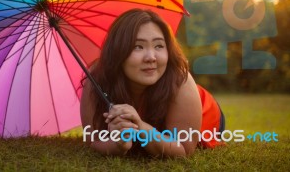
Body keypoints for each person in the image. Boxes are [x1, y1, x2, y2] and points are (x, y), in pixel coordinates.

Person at [80, 8, 225, 157]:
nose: (151, 57)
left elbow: (183, 149)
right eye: (138, 46)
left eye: (159, 46)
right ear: (117, 51)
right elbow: (92, 140)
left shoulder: (181, 80)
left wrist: (140, 127)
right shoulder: (96, 78)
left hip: (203, 113)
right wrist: (118, 145)